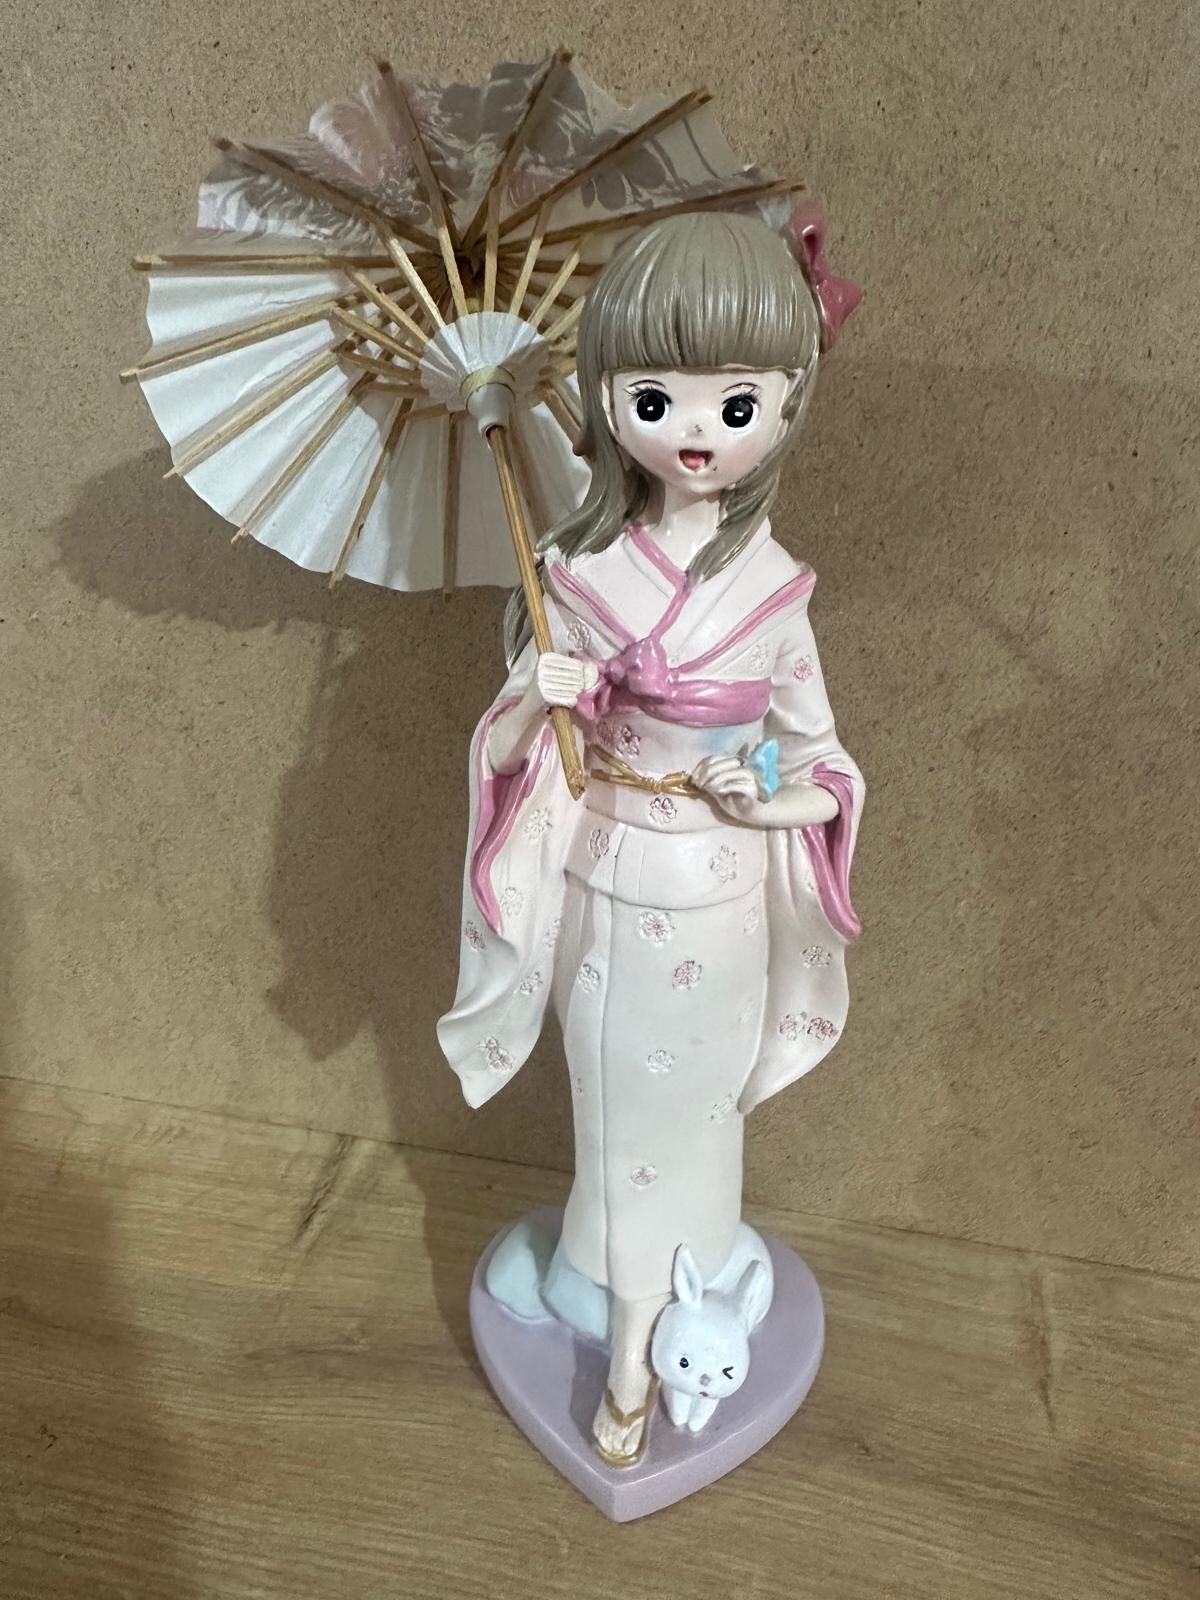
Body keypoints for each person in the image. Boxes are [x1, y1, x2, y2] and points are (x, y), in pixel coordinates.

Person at [438, 204, 865, 1467]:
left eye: (736, 403)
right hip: (609, 888)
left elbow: (817, 758)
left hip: (723, 898)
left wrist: (765, 790)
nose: (695, 431)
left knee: (700, 1115)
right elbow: (506, 756)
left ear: (786, 403)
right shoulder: (577, 575)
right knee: (616, 1113)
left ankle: (691, 1299)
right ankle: (619, 1320)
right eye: (654, 397)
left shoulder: (777, 593)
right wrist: (540, 696)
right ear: (606, 398)